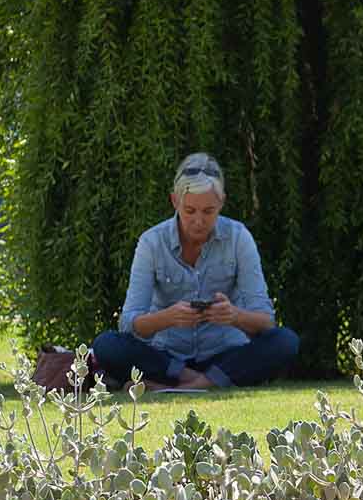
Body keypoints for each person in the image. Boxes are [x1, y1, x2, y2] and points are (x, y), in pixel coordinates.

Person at [91, 153, 301, 389]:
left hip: (225, 354)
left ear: (222, 202)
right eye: (190, 211)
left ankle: (181, 387)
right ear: (174, 201)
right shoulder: (151, 242)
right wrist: (167, 318)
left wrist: (234, 316)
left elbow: (266, 321)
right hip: (166, 358)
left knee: (285, 342)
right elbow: (129, 323)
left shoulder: (239, 237)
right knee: (106, 345)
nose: (199, 221)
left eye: (208, 211)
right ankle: (201, 381)